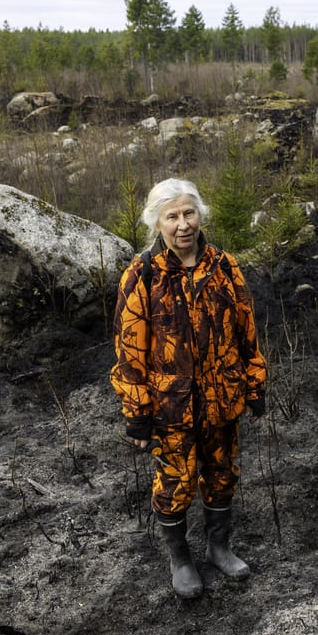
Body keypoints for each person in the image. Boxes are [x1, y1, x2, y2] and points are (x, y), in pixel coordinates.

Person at [111, 177, 267, 599]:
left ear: (201, 216)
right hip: (170, 407)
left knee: (221, 475)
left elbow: (246, 333)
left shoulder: (225, 267)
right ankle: (181, 560)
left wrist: (254, 384)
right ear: (157, 223)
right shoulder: (142, 275)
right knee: (175, 482)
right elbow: (130, 351)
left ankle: (219, 547)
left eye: (189, 213)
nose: (183, 224)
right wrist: (137, 412)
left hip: (222, 400)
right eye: (172, 216)